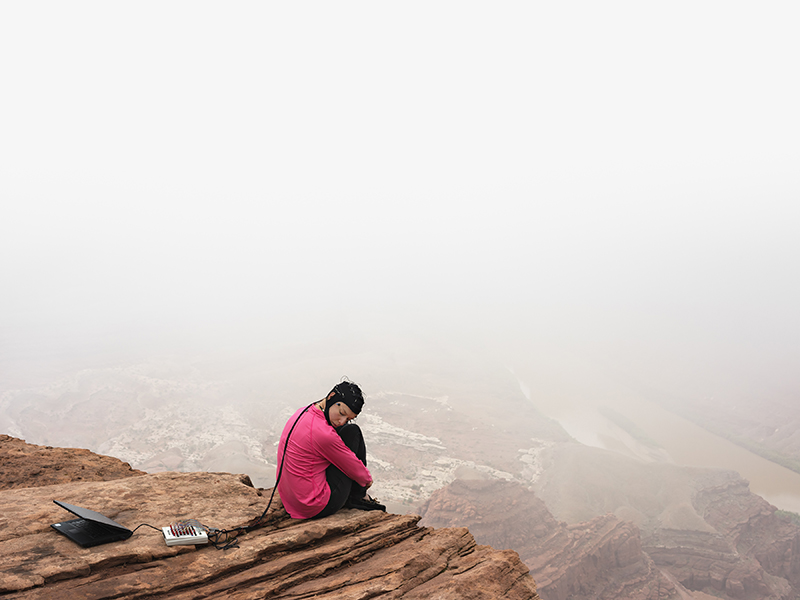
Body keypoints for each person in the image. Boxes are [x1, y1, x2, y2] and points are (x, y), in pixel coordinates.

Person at [276, 380, 385, 519]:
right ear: (332, 396)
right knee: (353, 431)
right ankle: (359, 496)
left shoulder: (303, 412)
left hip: (290, 500)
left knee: (346, 429)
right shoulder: (323, 434)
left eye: (348, 418)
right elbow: (352, 466)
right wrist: (366, 480)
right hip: (313, 506)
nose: (341, 421)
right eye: (341, 413)